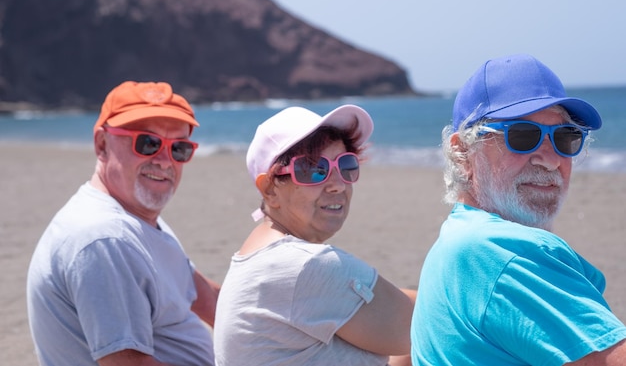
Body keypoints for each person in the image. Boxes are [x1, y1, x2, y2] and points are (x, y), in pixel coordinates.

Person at [411, 54, 626, 365]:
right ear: (463, 153)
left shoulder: (458, 237)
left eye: (565, 138)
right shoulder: (500, 251)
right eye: (522, 136)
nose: (551, 160)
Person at [27, 81, 220, 366]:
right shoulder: (106, 238)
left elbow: (202, 297)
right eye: (148, 143)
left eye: (179, 148)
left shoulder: (135, 218)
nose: (165, 161)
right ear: (102, 144)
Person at [213, 105, 416, 366]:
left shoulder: (258, 255)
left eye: (346, 165)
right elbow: (427, 326)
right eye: (313, 169)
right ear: (270, 189)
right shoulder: (305, 265)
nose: (338, 184)